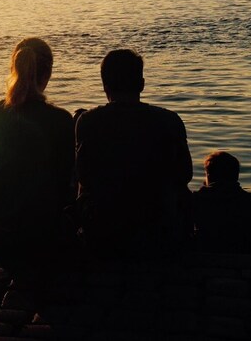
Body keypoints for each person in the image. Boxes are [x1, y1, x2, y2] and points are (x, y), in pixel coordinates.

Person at [75, 49, 193, 257]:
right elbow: (185, 174)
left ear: (105, 85)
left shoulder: (88, 122)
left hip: (104, 232)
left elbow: (83, 175)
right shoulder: (170, 121)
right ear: (141, 84)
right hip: (159, 231)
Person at [0, 37, 76, 270]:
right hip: (40, 237)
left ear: (14, 68)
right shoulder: (61, 119)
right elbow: (65, 183)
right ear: (48, 73)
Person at [192, 151, 251, 254]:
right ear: (236, 175)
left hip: (207, 262)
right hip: (248, 261)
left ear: (208, 175)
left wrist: (205, 188)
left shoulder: (196, 201)